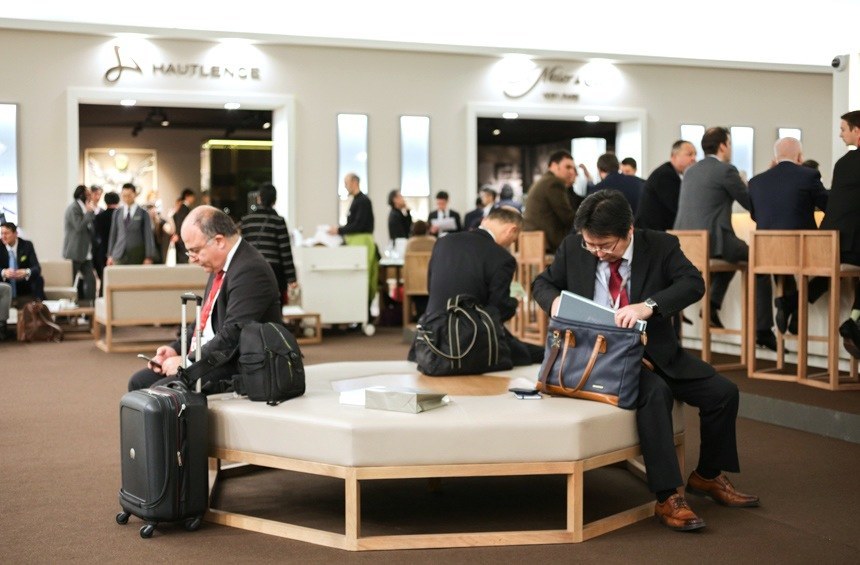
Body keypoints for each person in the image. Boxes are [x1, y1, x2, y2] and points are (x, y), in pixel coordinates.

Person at [532, 190, 758, 532]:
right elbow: (543, 283)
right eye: (590, 245)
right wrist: (554, 303)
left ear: (629, 231)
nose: (597, 252)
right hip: (600, 357)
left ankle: (707, 476)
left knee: (723, 393)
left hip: (657, 351)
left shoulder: (661, 245)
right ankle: (668, 496)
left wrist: (648, 306)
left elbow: (692, 283)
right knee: (656, 394)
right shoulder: (573, 248)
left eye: (605, 245)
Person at [128, 206, 282, 392]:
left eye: (195, 250)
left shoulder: (250, 270)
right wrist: (176, 349)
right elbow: (204, 320)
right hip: (209, 358)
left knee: (159, 393)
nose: (192, 259)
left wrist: (187, 361)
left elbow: (233, 336)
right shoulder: (222, 265)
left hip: (236, 366)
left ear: (219, 241)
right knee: (138, 382)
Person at [776, 111, 860, 358]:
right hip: (851, 245)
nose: (840, 134)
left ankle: (791, 302)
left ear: (857, 131)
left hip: (828, 242)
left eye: (843, 129)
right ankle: (853, 322)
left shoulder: (843, 162)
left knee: (834, 270)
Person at [424, 207, 543, 366]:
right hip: (469, 340)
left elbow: (430, 288)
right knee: (535, 353)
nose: (511, 243)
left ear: (485, 221)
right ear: (511, 230)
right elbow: (498, 311)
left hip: (431, 338)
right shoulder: (502, 258)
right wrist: (514, 301)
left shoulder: (443, 242)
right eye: (514, 240)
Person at [748, 137, 828, 344]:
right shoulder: (809, 175)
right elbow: (828, 205)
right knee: (834, 267)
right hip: (804, 252)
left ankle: (790, 304)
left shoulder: (755, 182)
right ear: (800, 157)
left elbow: (756, 216)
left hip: (768, 254)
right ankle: (794, 304)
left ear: (775, 158)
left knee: (782, 264)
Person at [674, 127, 753, 330]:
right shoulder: (726, 170)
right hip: (714, 242)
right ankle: (762, 327)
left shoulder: (690, 171)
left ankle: (711, 305)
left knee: (733, 257)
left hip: (688, 243)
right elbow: (749, 202)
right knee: (756, 255)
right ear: (723, 146)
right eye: (730, 144)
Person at [240, 183, 298, 303]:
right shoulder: (278, 221)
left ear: (259, 198)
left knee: (252, 305)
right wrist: (291, 278)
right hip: (274, 273)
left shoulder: (246, 220)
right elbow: (285, 251)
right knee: (274, 306)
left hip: (251, 271)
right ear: (274, 200)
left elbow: (242, 249)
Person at [327, 173, 378, 312]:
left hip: (362, 243)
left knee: (362, 277)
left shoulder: (363, 201)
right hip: (355, 242)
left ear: (355, 182)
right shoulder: (356, 201)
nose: (345, 186)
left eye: (346, 182)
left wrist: (339, 230)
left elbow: (359, 225)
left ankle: (364, 312)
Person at [634, 140, 698, 231]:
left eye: (695, 154)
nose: (694, 158)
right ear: (674, 157)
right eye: (689, 154)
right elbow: (677, 207)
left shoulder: (672, 173)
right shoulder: (665, 175)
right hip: (650, 232)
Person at [522, 150, 578, 253]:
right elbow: (568, 217)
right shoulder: (554, 183)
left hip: (534, 239)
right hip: (547, 242)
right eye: (568, 167)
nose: (572, 172)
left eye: (573, 168)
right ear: (554, 165)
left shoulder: (545, 180)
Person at [62, 185, 97, 306]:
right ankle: (66, 311)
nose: (90, 197)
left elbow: (90, 227)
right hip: (74, 252)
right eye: (88, 194)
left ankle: (89, 309)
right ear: (81, 195)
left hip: (86, 253)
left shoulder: (85, 208)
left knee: (91, 281)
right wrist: (89, 213)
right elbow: (78, 226)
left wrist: (90, 213)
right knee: (69, 282)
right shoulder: (73, 208)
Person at [107, 183, 157, 266]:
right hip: (119, 254)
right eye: (124, 195)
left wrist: (149, 256)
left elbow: (148, 235)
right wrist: (110, 255)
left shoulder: (143, 213)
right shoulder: (117, 213)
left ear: (135, 194)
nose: (126, 198)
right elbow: (113, 234)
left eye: (129, 195)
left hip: (137, 254)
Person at [1, 221, 45, 306]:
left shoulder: (27, 245)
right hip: (5, 284)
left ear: (15, 234)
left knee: (39, 279)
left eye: (6, 233)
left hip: (23, 285)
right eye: (2, 233)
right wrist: (4, 272)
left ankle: (38, 307)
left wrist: (26, 272)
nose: (3, 236)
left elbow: (37, 268)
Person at [92, 191, 119, 296]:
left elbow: (94, 236)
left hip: (102, 251)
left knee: (104, 278)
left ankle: (102, 299)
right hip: (118, 251)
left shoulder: (99, 217)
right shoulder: (120, 216)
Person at [172, 187, 196, 264]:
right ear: (187, 196)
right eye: (192, 196)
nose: (193, 199)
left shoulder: (184, 208)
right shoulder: (184, 208)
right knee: (183, 258)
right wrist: (178, 234)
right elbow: (180, 222)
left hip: (181, 236)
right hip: (182, 237)